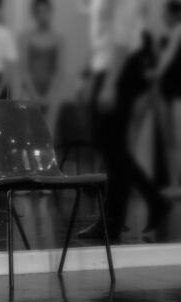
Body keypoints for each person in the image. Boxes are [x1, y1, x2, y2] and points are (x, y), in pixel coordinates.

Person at [77, 0, 173, 239]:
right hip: (107, 69)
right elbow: (101, 36)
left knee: (111, 146)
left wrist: (110, 83)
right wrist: (92, 76)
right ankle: (147, 202)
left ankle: (113, 220)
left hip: (119, 70)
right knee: (109, 145)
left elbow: (122, 38)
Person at [19, 0, 63, 122]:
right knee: (29, 131)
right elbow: (24, 69)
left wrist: (49, 96)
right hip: (29, 93)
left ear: (50, 13)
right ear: (34, 14)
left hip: (51, 94)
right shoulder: (26, 38)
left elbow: (58, 71)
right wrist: (35, 96)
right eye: (39, 12)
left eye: (45, 11)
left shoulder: (58, 40)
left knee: (48, 132)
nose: (42, 15)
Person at [154, 0, 181, 191]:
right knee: (169, 139)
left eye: (165, 13)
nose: (163, 17)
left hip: (176, 90)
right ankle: (174, 183)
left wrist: (153, 73)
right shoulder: (167, 35)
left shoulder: (179, 30)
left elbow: (166, 60)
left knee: (176, 138)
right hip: (167, 90)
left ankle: (175, 182)